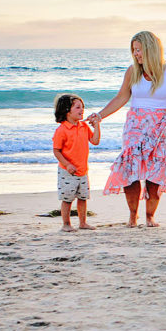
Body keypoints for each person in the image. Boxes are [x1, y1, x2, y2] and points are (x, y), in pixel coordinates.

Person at [89, 31, 166, 227]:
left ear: (150, 49)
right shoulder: (133, 71)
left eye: (139, 50)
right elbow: (121, 97)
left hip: (161, 126)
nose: (136, 54)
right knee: (131, 169)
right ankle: (133, 215)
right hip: (135, 125)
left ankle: (150, 216)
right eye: (134, 51)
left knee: (155, 171)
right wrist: (100, 116)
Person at [52, 94, 101, 232]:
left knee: (83, 198)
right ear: (67, 110)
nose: (82, 110)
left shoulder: (84, 126)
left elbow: (95, 141)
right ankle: (66, 224)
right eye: (78, 107)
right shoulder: (62, 130)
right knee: (67, 199)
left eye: (83, 107)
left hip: (83, 170)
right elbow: (56, 151)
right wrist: (67, 165)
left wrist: (96, 125)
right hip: (67, 171)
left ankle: (83, 223)